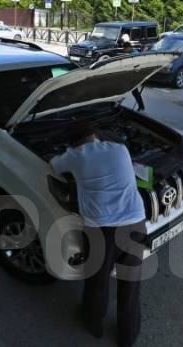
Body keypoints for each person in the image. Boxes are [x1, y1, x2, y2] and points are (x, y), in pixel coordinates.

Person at [50, 122, 146, 347]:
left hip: (102, 231)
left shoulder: (75, 157)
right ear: (94, 135)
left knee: (98, 280)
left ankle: (93, 323)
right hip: (136, 222)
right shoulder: (120, 149)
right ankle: (128, 335)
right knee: (131, 282)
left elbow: (53, 166)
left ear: (73, 143)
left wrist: (64, 153)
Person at [119, 34, 145, 112]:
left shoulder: (134, 54)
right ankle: (141, 106)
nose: (124, 50)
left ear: (129, 48)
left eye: (125, 49)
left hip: (134, 76)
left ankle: (141, 107)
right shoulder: (132, 53)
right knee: (134, 92)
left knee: (133, 92)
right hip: (130, 76)